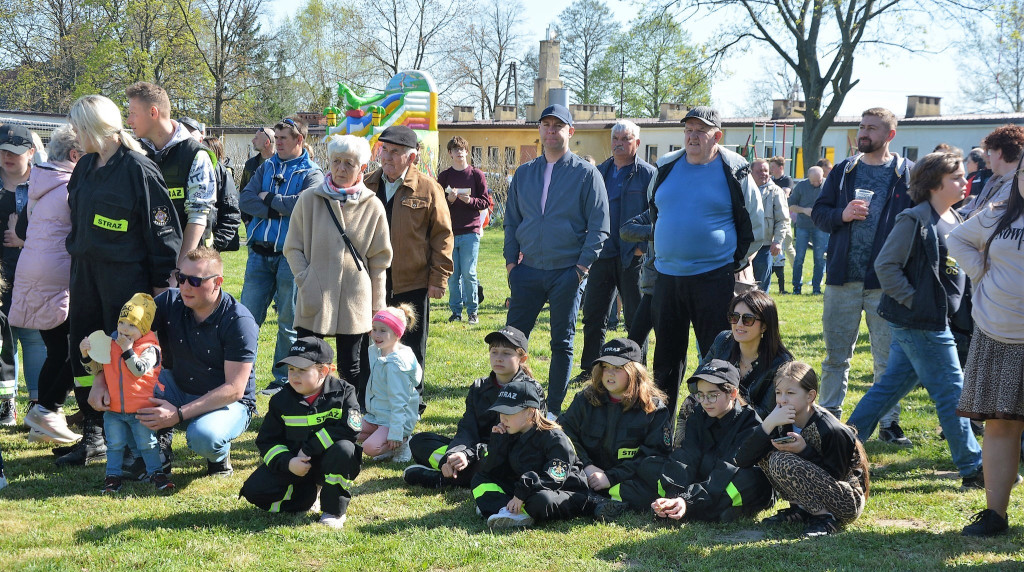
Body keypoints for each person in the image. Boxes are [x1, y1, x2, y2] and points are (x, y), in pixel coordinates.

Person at [846, 152, 983, 488]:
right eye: (956, 177)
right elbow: (885, 266)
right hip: (922, 323)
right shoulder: (915, 219)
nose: (964, 182)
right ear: (934, 183)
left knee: (888, 389)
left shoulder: (954, 217)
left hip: (939, 321)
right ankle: (974, 468)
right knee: (954, 393)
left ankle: (840, 445)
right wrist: (915, 301)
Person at [61, 95, 182, 466]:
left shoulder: (139, 170)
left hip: (126, 280)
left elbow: (164, 235)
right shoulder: (84, 168)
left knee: (126, 355)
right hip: (85, 275)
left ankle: (144, 438)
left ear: (97, 127)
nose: (76, 135)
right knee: (86, 350)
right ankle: (95, 431)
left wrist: (161, 288)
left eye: (80, 128)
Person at [648, 106, 764, 424]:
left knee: (720, 358)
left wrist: (729, 264)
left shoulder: (735, 169)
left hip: (714, 279)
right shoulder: (666, 166)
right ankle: (663, 428)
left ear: (717, 135)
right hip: (668, 278)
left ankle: (720, 425)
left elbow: (755, 227)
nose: (693, 136)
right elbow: (655, 212)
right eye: (688, 130)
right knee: (666, 360)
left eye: (701, 130)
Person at [811, 107, 912, 445]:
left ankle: (888, 423)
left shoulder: (906, 174)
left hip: (886, 284)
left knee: (888, 360)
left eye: (872, 128)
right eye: (861, 127)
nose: (864, 133)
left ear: (890, 135)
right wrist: (842, 213)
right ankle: (828, 419)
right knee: (836, 357)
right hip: (842, 280)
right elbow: (820, 215)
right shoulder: (843, 171)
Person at [503, 104, 609, 415]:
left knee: (561, 343)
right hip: (528, 271)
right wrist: (512, 264)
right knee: (512, 341)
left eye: (558, 126)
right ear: (539, 130)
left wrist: (580, 269)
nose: (551, 130)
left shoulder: (587, 174)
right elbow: (511, 221)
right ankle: (513, 402)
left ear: (570, 132)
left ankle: (552, 410)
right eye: (546, 124)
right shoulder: (524, 173)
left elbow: (600, 225)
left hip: (566, 272)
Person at [126, 247, 258, 477]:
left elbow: (235, 389)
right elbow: (124, 336)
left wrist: (178, 414)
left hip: (227, 401)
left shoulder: (239, 321)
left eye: (195, 281)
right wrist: (99, 380)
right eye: (181, 277)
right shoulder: (170, 300)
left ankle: (218, 455)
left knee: (204, 437)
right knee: (132, 389)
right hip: (178, 386)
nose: (185, 286)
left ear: (218, 282)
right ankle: (158, 452)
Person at [947, 155, 1024, 537]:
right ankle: (995, 515)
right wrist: (981, 274)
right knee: (999, 426)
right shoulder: (998, 213)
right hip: (998, 334)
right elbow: (957, 238)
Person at [284, 134, 392, 398]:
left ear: (362, 168)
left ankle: (350, 418)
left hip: (355, 296)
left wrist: (377, 305)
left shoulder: (373, 205)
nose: (341, 168)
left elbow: (379, 259)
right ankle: (301, 412)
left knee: (351, 366)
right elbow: (292, 247)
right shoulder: (309, 199)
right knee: (306, 361)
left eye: (349, 163)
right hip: (315, 291)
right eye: (336, 161)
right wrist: (306, 278)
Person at [240, 337, 363, 529]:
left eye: (302, 370)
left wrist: (310, 448)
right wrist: (288, 463)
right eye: (291, 369)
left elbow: (351, 429)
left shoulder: (345, 392)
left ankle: (333, 510)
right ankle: (308, 497)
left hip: (329, 461)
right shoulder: (281, 401)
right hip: (296, 464)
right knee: (254, 491)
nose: (294, 376)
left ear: (324, 371)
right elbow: (267, 441)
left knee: (345, 449)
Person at [735, 362, 870, 537]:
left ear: (810, 396)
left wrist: (804, 451)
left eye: (790, 393)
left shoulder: (830, 429)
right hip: (821, 493)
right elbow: (743, 459)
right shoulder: (781, 419)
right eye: (778, 392)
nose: (782, 399)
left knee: (780, 460)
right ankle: (801, 510)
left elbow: (836, 475)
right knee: (765, 454)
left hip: (845, 501)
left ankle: (824, 519)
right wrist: (768, 424)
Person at [240, 116, 323, 395]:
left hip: (291, 258)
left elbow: (304, 205)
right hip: (258, 255)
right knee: (247, 318)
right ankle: (241, 375)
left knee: (288, 320)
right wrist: (279, 207)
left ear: (300, 140)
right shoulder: (266, 167)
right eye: (275, 139)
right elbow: (245, 199)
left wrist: (268, 199)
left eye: (283, 139)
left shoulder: (312, 172)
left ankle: (282, 379)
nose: (278, 144)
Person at [403, 326, 545, 489]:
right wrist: (456, 454)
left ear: (522, 358)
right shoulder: (479, 386)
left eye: (507, 353)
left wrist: (469, 455)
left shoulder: (530, 390)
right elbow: (467, 427)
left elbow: (524, 440)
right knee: (419, 441)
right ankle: (451, 467)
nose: (499, 358)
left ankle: (443, 479)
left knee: (495, 461)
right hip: (474, 451)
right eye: (494, 352)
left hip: (507, 453)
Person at [363, 125, 454, 373]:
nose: (387, 157)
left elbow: (442, 236)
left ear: (411, 157)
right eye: (384, 150)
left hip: (412, 282)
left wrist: (439, 278)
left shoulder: (428, 188)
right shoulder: (366, 185)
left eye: (395, 152)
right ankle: (366, 399)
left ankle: (413, 403)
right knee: (368, 344)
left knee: (411, 348)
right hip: (370, 281)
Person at [12, 125, 82, 443]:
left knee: (57, 348)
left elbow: (24, 228)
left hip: (35, 271)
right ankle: (47, 410)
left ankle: (42, 416)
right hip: (59, 276)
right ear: (74, 155)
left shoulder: (40, 180)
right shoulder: (72, 186)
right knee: (76, 348)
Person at [574, 120, 655, 383]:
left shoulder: (649, 175)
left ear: (637, 143)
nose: (619, 143)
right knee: (594, 315)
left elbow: (657, 215)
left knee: (636, 318)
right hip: (602, 254)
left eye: (625, 139)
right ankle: (590, 370)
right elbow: (586, 210)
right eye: (615, 139)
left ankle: (636, 371)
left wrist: (643, 247)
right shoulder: (599, 172)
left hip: (634, 257)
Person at [649, 360, 774, 523]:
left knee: (747, 481)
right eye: (700, 394)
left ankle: (691, 511)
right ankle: (676, 507)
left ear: (733, 394)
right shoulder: (699, 414)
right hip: (706, 478)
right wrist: (676, 495)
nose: (705, 401)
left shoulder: (750, 423)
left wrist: (687, 500)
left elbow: (727, 470)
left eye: (713, 395)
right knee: (654, 465)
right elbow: (687, 455)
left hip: (730, 479)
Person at [559, 338, 671, 518]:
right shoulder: (585, 399)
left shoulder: (653, 409)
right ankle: (600, 500)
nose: (609, 374)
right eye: (605, 367)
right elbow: (564, 433)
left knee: (650, 490)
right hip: (585, 473)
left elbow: (654, 455)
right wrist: (587, 466)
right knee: (557, 471)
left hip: (626, 478)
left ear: (634, 372)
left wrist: (611, 477)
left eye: (618, 368)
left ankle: (592, 499)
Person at [82, 293, 174, 493]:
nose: (124, 328)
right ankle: (112, 477)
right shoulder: (113, 343)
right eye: (121, 322)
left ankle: (157, 473)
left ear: (143, 327)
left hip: (141, 410)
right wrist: (85, 354)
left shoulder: (150, 348)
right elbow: (95, 369)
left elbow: (139, 369)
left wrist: (127, 350)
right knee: (114, 445)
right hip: (114, 409)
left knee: (147, 444)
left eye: (132, 325)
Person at [470, 379, 591, 529]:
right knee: (480, 478)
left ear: (530, 412)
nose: (503, 418)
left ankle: (510, 510)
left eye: (509, 412)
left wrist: (523, 491)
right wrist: (498, 442)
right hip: (524, 488)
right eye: (501, 411)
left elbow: (555, 478)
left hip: (560, 490)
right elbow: (492, 471)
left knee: (540, 500)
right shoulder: (509, 432)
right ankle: (507, 510)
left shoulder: (555, 438)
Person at [125, 82, 216, 272]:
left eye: (133, 113)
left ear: (153, 112)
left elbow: (198, 216)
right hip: (140, 265)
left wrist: (179, 270)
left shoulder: (196, 155)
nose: (128, 121)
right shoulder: (133, 153)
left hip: (183, 266)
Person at [0, 124, 46, 424]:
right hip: (0, 276)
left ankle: (38, 403)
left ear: (31, 152)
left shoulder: (46, 184)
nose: (7, 157)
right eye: (3, 150)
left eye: (15, 152)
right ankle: (6, 404)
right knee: (3, 339)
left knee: (34, 339)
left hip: (35, 273)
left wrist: (23, 239)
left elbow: (59, 232)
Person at [700, 290, 794, 419]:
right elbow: (697, 381)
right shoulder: (723, 341)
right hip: (715, 414)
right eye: (734, 317)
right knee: (690, 404)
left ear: (764, 326)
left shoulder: (781, 364)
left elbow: (766, 413)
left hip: (753, 429)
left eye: (747, 319)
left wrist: (727, 402)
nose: (739, 324)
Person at [359, 305, 422, 462]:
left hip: (394, 418)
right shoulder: (377, 351)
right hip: (377, 414)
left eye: (383, 330)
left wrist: (396, 432)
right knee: (348, 431)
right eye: (374, 329)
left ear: (396, 334)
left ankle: (403, 443)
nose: (376, 335)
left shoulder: (395, 366)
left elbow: (399, 402)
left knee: (369, 448)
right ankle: (387, 444)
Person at [438, 136, 490, 325]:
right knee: (453, 275)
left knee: (469, 273)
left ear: (467, 152)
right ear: (450, 153)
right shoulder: (444, 177)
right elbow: (437, 205)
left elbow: (485, 202)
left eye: (462, 149)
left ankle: (473, 311)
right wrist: (449, 200)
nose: (459, 152)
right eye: (455, 149)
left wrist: (471, 201)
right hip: (450, 232)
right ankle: (456, 312)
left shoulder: (477, 175)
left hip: (471, 231)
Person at [960, 125, 1024, 219]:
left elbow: (986, 219)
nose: (985, 156)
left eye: (989, 151)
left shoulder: (1015, 185)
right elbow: (965, 211)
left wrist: (969, 215)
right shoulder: (995, 181)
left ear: (999, 153)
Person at [749, 158, 790, 292]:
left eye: (766, 170)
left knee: (760, 290)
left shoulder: (776, 192)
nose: (764, 173)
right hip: (744, 247)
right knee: (742, 287)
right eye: (759, 171)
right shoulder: (743, 189)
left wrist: (777, 241)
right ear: (751, 172)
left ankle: (760, 313)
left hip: (764, 247)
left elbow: (782, 219)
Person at [789, 166, 829, 294]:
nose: (816, 183)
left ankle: (816, 288)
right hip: (803, 226)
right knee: (799, 258)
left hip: (821, 227)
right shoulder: (801, 186)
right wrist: (804, 210)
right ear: (808, 177)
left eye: (819, 180)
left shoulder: (828, 185)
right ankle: (796, 288)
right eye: (813, 181)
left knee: (819, 258)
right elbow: (791, 205)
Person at [201, 136, 241, 252]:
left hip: (211, 243)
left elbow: (231, 212)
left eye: (205, 148)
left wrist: (215, 244)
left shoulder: (223, 172)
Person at [240, 127, 275, 225]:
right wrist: (246, 220)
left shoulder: (281, 164)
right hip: (252, 222)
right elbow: (243, 191)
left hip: (275, 220)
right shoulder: (250, 164)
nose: (252, 140)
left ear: (267, 143)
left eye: (256, 138)